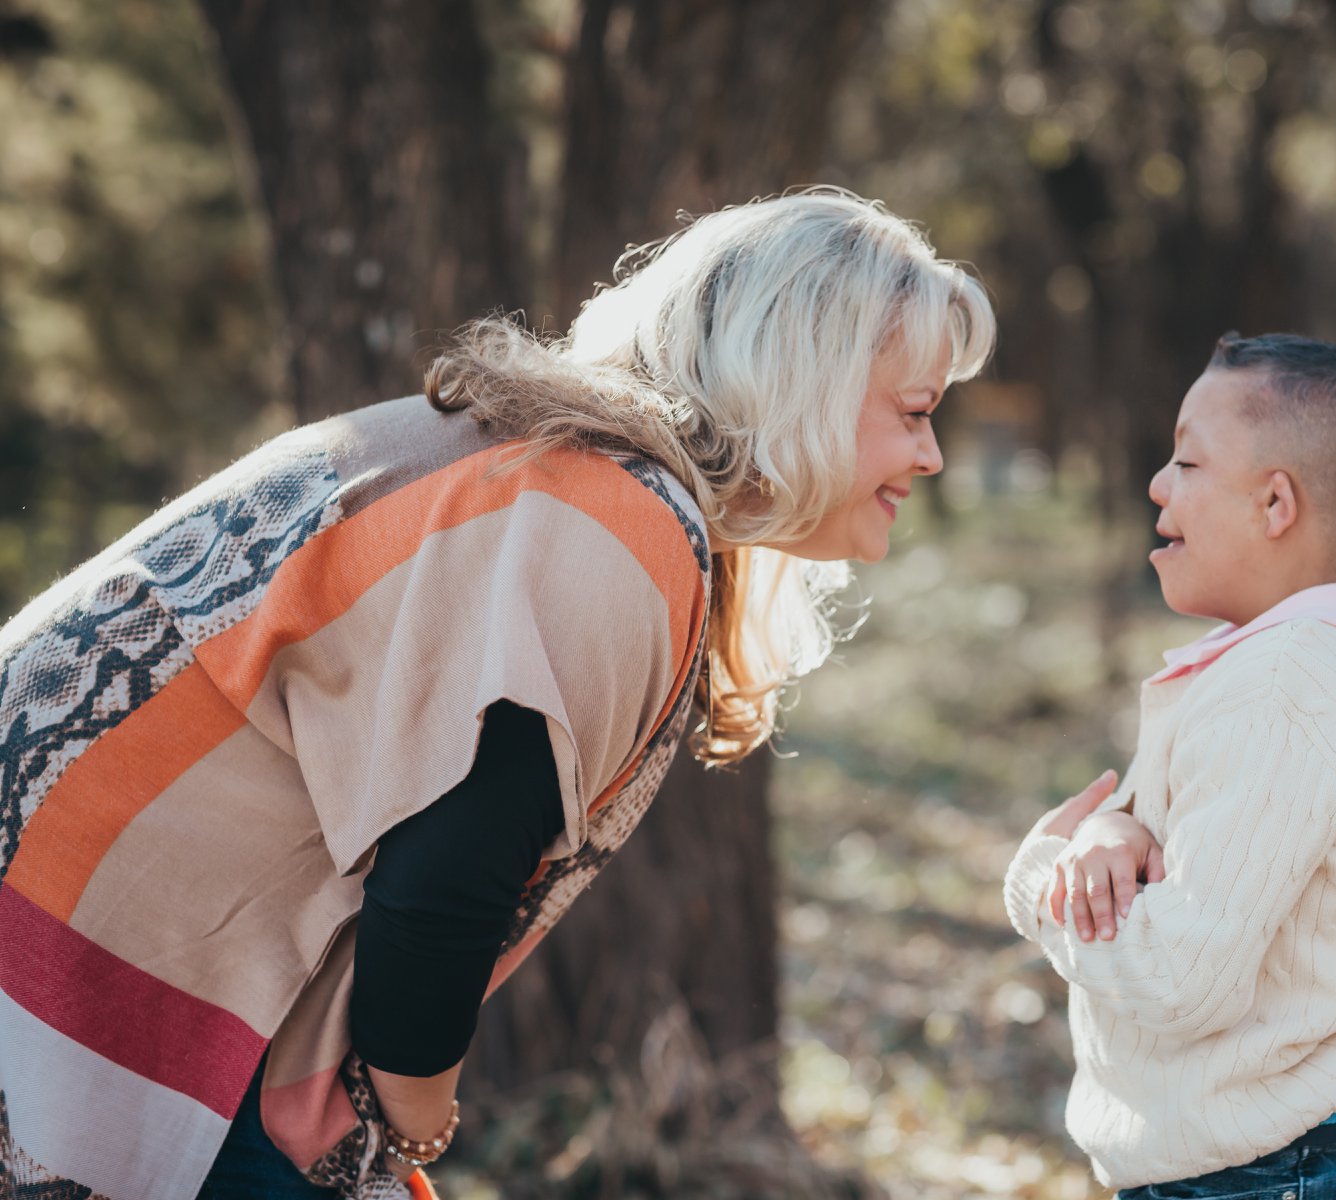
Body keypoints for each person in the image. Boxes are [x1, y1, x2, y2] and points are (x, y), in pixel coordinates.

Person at [0, 188, 994, 1200]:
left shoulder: (578, 478)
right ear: (806, 384)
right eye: (914, 413)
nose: (932, 455)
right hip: (90, 935)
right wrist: (420, 1118)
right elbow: (442, 892)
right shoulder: (615, 527)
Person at [1003, 333, 1336, 1199]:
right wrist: (1111, 825)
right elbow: (1181, 850)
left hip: (1279, 1172)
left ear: (1277, 504)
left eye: (1187, 462)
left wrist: (1037, 886)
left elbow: (1178, 977)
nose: (1159, 485)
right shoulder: (1294, 662)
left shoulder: (1287, 684)